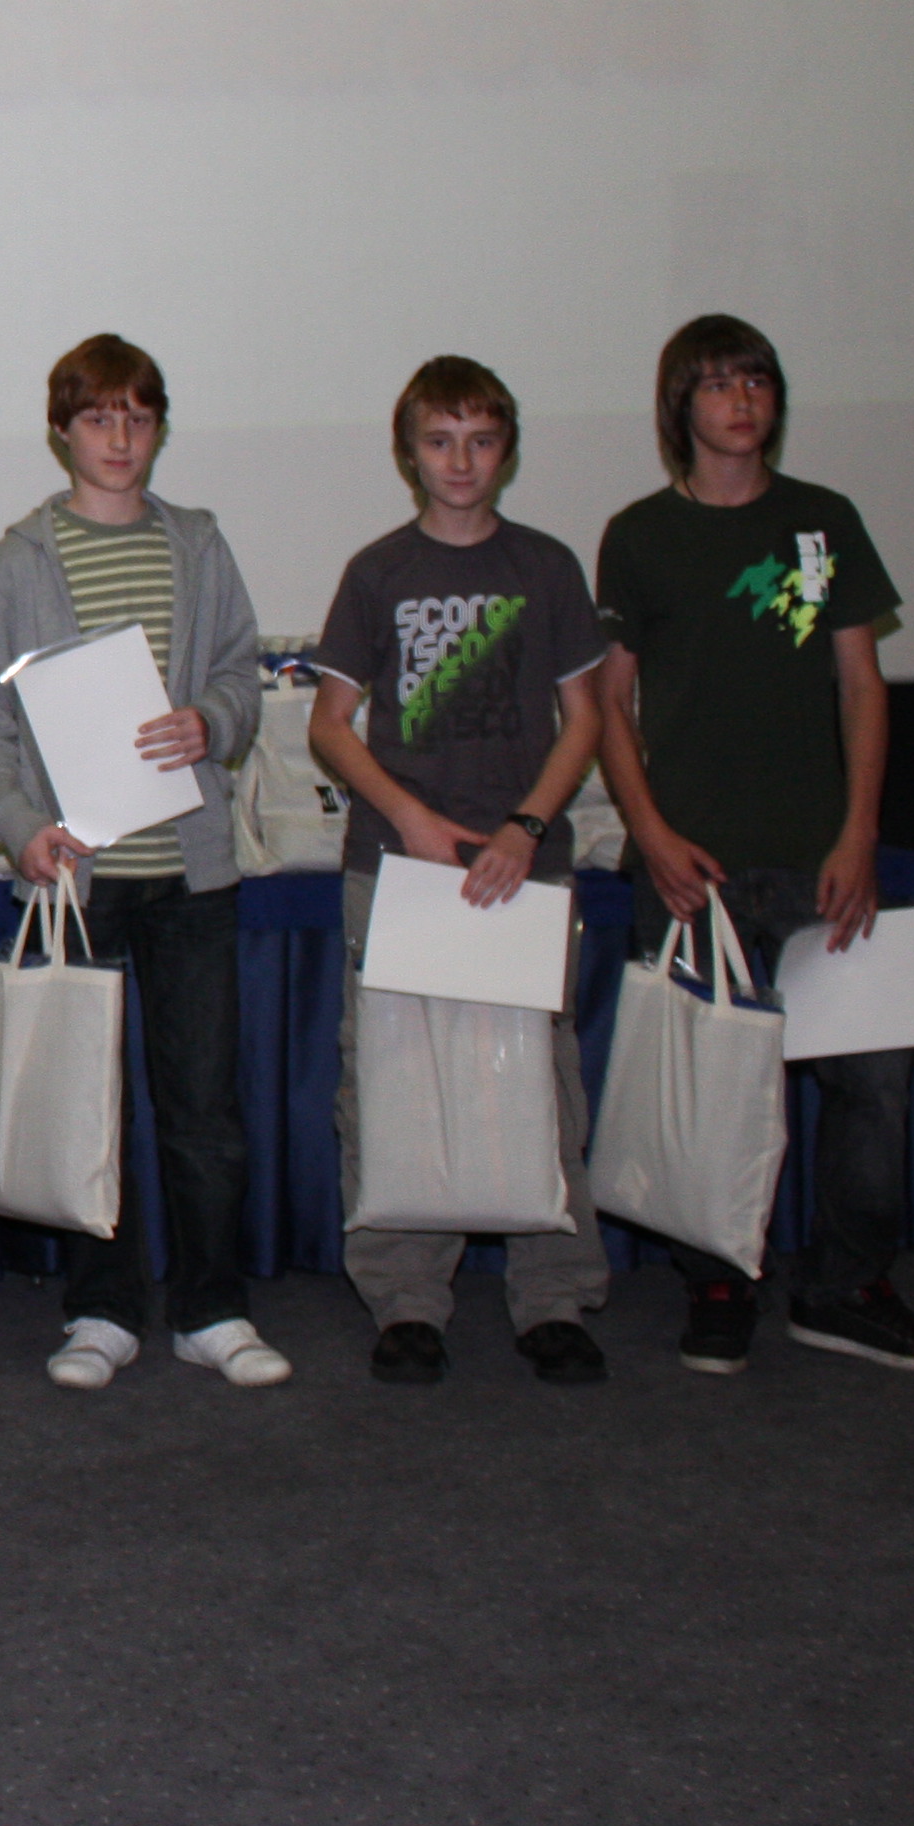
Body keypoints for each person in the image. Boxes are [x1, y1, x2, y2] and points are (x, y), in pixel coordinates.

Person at [591, 315, 914, 1374]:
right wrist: (651, 835)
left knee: (875, 1079)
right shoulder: (639, 535)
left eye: (755, 380)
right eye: (715, 384)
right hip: (690, 867)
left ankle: (844, 1286)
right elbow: (610, 705)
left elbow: (861, 686)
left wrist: (859, 834)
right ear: (680, 407)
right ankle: (716, 1283)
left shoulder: (822, 521)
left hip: (817, 858)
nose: (740, 400)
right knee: (705, 1085)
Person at [0, 333, 286, 1391]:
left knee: (203, 1109)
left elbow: (242, 673)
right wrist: (19, 824)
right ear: (62, 432)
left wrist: (212, 720)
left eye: (138, 418)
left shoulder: (198, 543)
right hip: (73, 877)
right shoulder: (22, 558)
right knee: (85, 1105)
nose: (120, 438)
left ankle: (212, 1308)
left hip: (189, 872)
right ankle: (101, 1310)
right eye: (99, 418)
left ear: (159, 428)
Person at [305, 357, 611, 1386]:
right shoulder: (378, 572)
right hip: (400, 867)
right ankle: (405, 1300)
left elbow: (585, 719)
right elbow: (331, 726)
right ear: (410, 455)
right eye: (440, 442)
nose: (461, 461)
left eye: (480, 441)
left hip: (523, 869)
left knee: (542, 1086)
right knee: (395, 1086)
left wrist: (525, 827)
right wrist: (411, 818)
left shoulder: (547, 568)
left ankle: (553, 1298)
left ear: (506, 451)